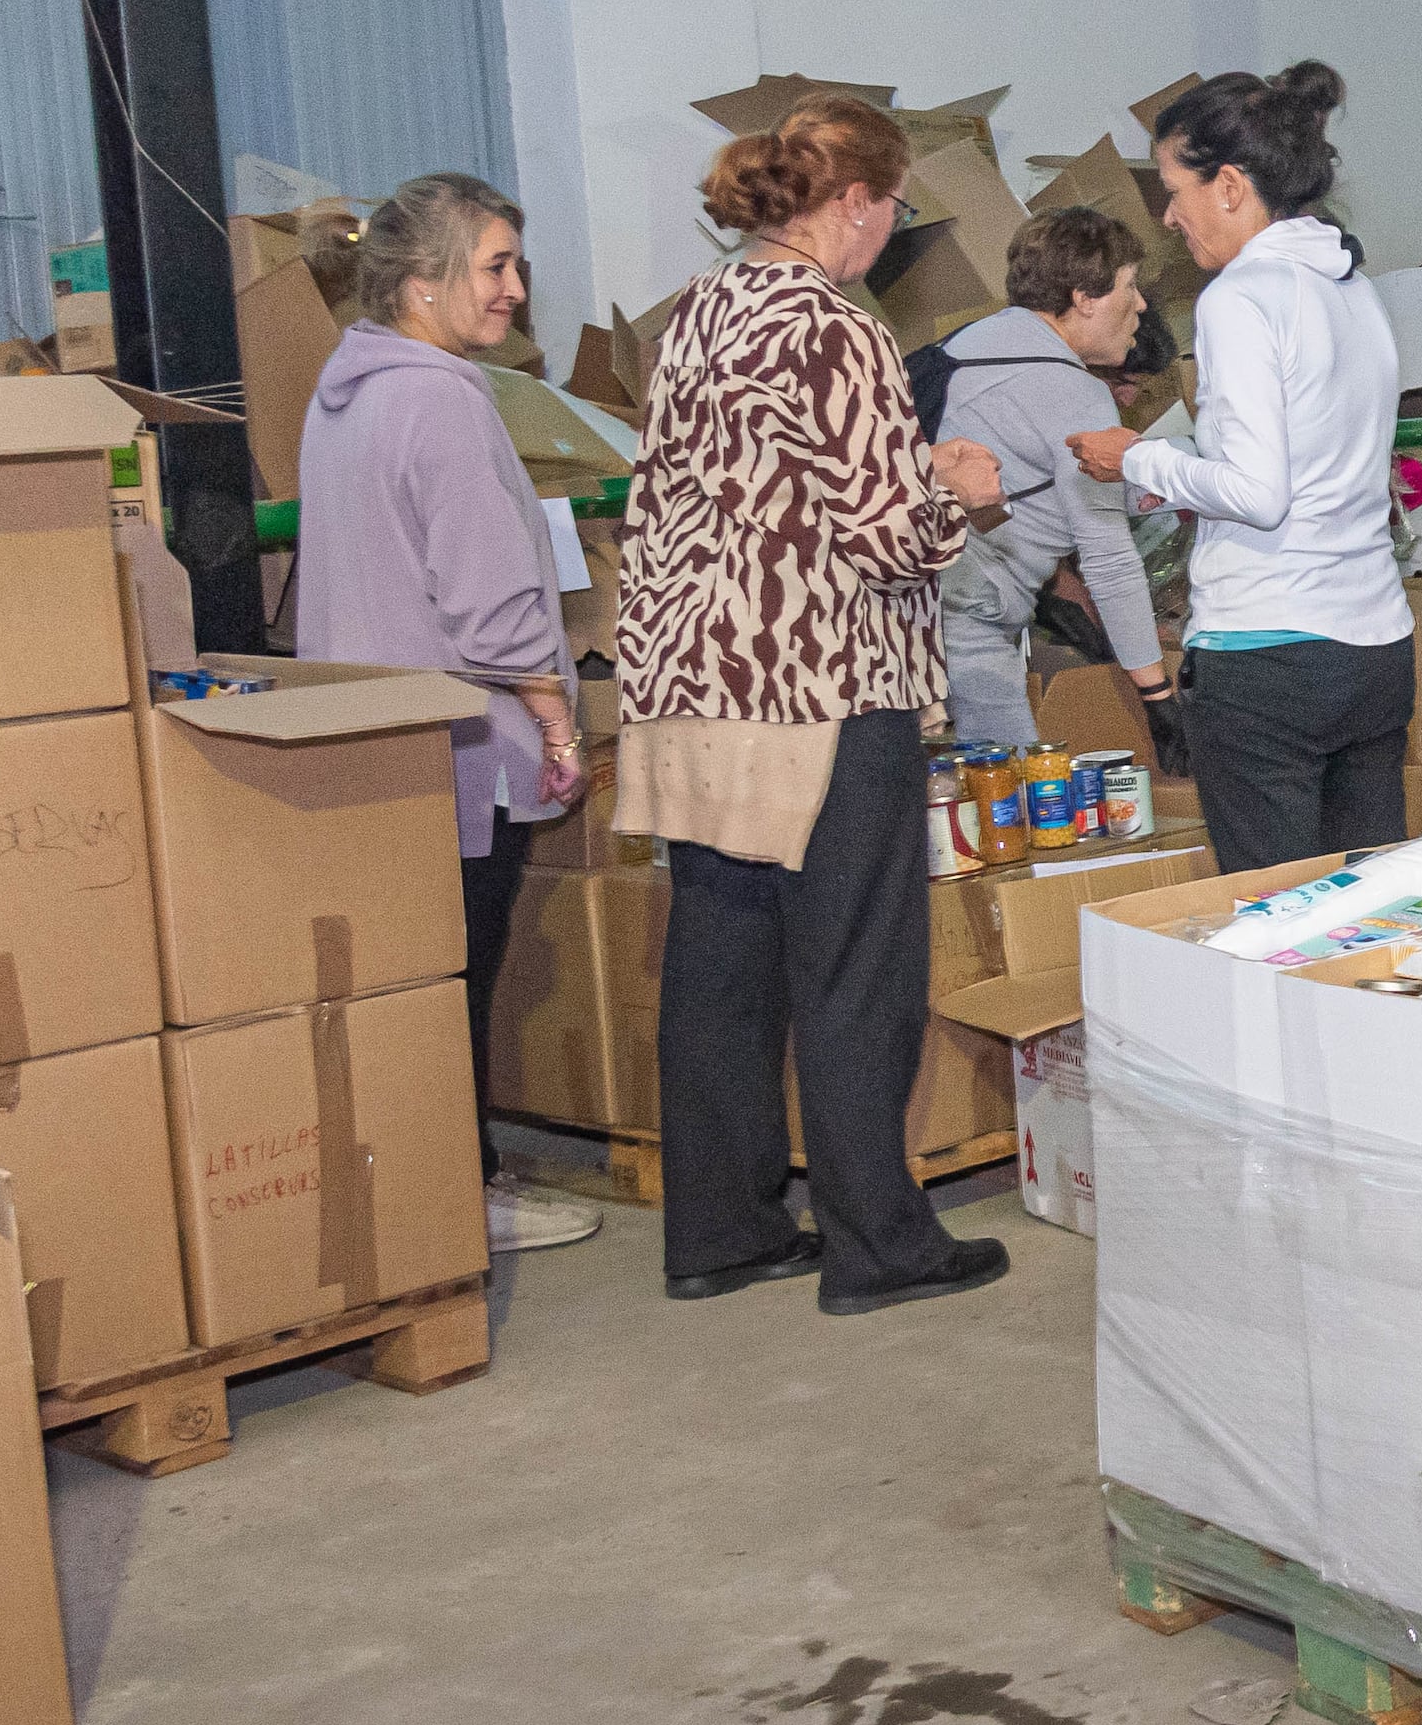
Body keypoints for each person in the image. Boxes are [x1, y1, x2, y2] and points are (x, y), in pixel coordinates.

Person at [612, 95, 1014, 1318]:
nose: (890, 236)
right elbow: (888, 535)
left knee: (722, 967)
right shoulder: (833, 325)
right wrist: (962, 492)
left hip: (692, 687)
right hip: (819, 687)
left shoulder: (698, 310)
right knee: (852, 973)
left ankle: (721, 1228)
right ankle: (878, 1244)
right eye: (890, 211)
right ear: (851, 202)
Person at [294, 169, 596, 1256]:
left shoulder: (345, 389)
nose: (515, 288)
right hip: (458, 743)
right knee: (456, 978)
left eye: (517, 265)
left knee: (415, 981)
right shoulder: (440, 398)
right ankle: (459, 1190)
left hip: (368, 739)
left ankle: (434, 1179)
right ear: (421, 284)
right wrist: (555, 722)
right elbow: (490, 603)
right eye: (495, 266)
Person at [1101, 63, 1411, 871]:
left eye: (1175, 190)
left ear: (1231, 184)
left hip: (1270, 657)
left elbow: (1255, 494)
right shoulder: (1353, 289)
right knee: (1371, 909)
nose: (1169, 218)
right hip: (1375, 647)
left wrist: (1141, 456)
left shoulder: (1241, 297)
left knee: (1274, 921)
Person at [928, 206, 1171, 753]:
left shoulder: (972, 345)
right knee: (1009, 791)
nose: (1141, 305)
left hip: (917, 603)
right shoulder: (1071, 389)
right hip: (972, 608)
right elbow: (1107, 557)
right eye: (1130, 286)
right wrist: (1156, 694)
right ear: (1084, 298)